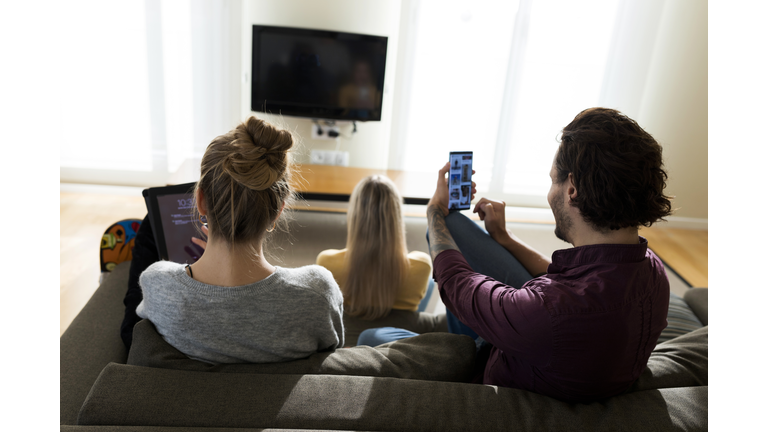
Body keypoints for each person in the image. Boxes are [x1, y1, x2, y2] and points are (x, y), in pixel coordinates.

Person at [359, 107, 672, 403]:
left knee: (372, 335)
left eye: (553, 180)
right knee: (456, 223)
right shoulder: (651, 270)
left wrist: (433, 214)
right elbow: (567, 280)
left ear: (572, 188)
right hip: (541, 343)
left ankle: (455, 338)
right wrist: (504, 239)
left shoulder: (548, 312)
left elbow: (457, 284)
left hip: (497, 354)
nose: (550, 192)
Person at [126, 116, 345, 364]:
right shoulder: (316, 292)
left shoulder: (158, 284)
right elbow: (331, 351)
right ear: (278, 211)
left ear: (200, 201)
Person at [316, 175, 432, 320]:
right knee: (430, 282)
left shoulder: (326, 263)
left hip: (349, 332)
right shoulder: (422, 265)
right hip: (396, 332)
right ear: (396, 216)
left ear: (355, 214)